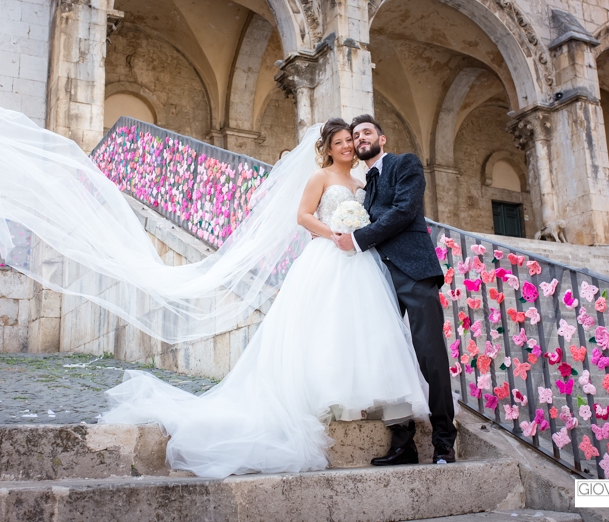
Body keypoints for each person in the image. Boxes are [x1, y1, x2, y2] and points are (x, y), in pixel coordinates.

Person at [100, 118, 430, 477]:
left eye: (350, 140)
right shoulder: (320, 177)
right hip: (329, 256)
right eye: (340, 142)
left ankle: (399, 430)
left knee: (374, 335)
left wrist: (357, 236)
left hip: (362, 261)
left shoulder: (366, 181)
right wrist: (334, 233)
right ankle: (327, 402)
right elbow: (303, 216)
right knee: (325, 329)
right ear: (328, 148)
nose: (348, 146)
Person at [333, 114, 457, 466]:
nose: (360, 139)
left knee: (430, 356)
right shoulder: (364, 187)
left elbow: (404, 211)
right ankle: (403, 443)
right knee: (386, 360)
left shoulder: (406, 164)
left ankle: (444, 440)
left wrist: (356, 238)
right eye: (355, 136)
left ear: (382, 138)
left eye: (366, 132)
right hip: (378, 278)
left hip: (414, 272)